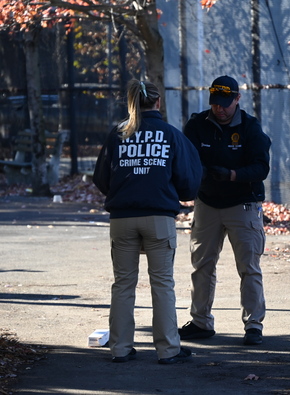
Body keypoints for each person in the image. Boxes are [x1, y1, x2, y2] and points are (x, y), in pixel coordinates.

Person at [93, 79, 202, 364]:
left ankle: (120, 348)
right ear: (158, 102)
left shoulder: (118, 134)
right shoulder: (170, 134)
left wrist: (124, 193)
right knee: (162, 284)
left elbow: (101, 178)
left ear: (131, 102)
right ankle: (168, 350)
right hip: (159, 218)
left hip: (122, 219)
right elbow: (189, 180)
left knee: (123, 284)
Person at [180, 75, 271, 346]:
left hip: (242, 203)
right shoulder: (197, 125)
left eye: (225, 104)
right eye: (215, 103)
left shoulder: (250, 128)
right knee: (202, 265)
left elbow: (261, 168)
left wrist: (232, 174)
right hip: (207, 203)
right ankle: (200, 321)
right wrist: (204, 175)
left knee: (249, 267)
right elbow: (187, 159)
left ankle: (253, 325)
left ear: (237, 99)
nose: (219, 109)